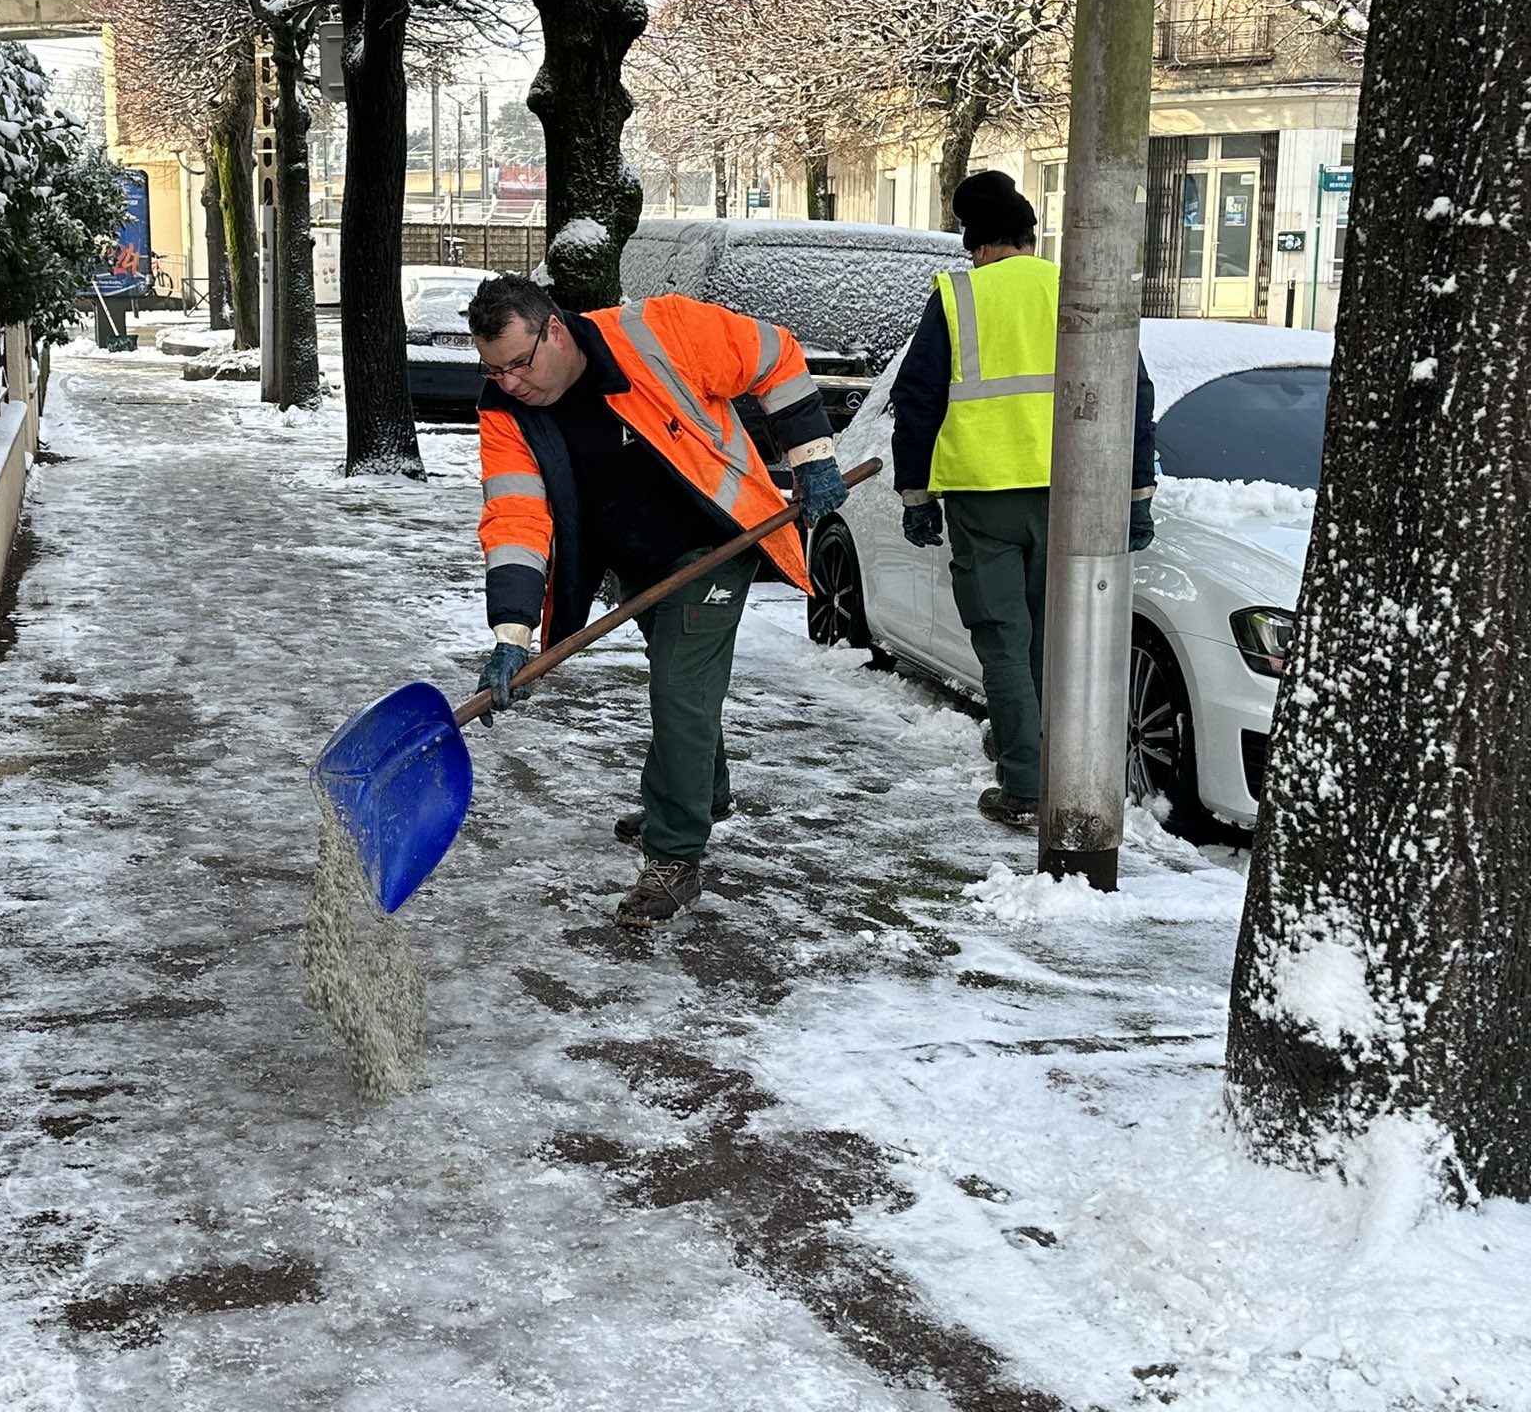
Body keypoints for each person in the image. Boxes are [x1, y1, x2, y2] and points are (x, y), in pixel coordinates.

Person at [467, 274, 847, 929]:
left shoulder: (658, 332)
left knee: (678, 689)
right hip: (635, 564)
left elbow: (774, 352)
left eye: (519, 364)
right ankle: (701, 791)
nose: (510, 383)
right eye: (493, 371)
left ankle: (673, 856)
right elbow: (516, 518)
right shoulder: (507, 413)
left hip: (717, 541)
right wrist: (511, 634)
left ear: (554, 329)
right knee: (685, 684)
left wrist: (811, 457)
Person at [890, 169, 1157, 829]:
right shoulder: (1074, 284)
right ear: (1029, 235)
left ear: (973, 242)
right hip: (1074, 493)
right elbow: (1135, 390)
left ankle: (1025, 786)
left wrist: (916, 493)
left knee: (1004, 638)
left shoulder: (958, 296)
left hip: (985, 496)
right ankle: (1060, 768)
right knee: (1054, 639)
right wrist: (1137, 493)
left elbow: (918, 400)